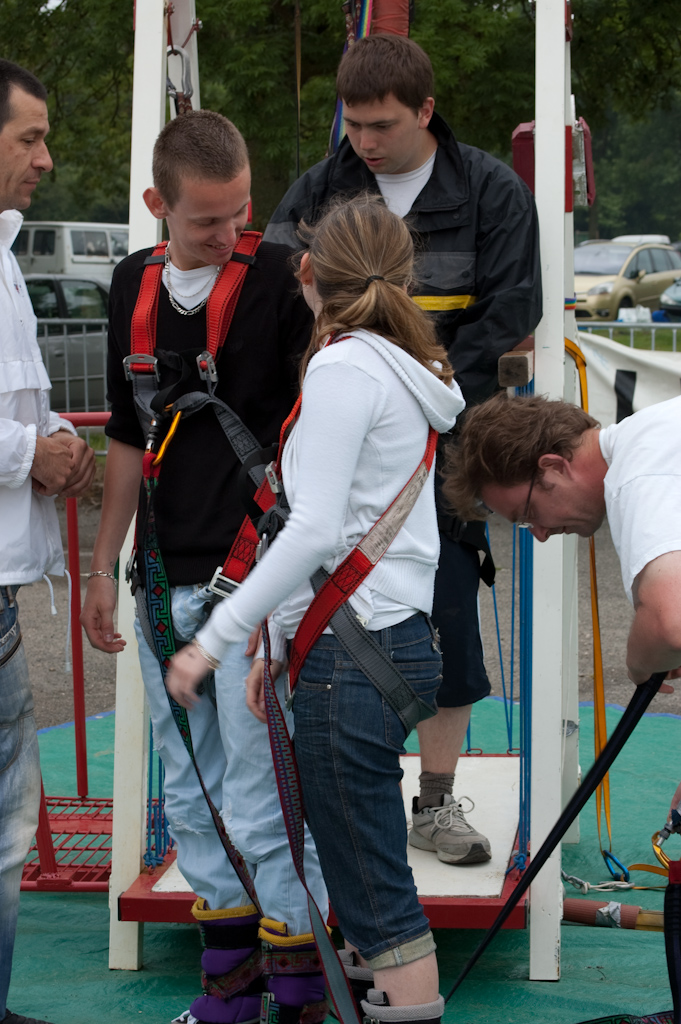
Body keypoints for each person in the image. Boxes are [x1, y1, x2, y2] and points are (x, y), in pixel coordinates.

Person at [167, 193, 465, 1024]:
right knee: (367, 883)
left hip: (353, 655)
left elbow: (311, 531)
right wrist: (274, 641)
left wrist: (217, 638)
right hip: (387, 639)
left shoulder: (343, 369)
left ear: (306, 272)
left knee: (374, 897)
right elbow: (348, 532)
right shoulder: (408, 370)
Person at [264, 33, 542, 865]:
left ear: (425, 110)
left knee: (447, 618)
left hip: (444, 451)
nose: (364, 142)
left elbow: (510, 312)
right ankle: (331, 797)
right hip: (338, 443)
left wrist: (414, 390)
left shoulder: (491, 190)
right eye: (352, 124)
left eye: (381, 124)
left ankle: (435, 801)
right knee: (317, 613)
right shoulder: (317, 190)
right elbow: (276, 303)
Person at [80, 111, 329, 1024]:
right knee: (189, 791)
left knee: (263, 797)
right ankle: (229, 985)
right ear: (158, 204)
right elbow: (125, 430)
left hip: (255, 579)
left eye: (241, 213)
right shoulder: (131, 284)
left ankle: (300, 989)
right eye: (206, 221)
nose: (229, 235)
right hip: (161, 577)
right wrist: (101, 566)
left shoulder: (281, 280)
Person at [0, 60, 96, 1024]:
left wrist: (57, 437)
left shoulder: (6, 256)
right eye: (29, 137)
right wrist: (36, 452)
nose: (46, 158)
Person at [441, 391, 681, 690]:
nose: (541, 534)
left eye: (529, 513)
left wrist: (640, 664)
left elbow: (670, 624)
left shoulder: (638, 476)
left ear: (554, 467)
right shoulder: (653, 433)